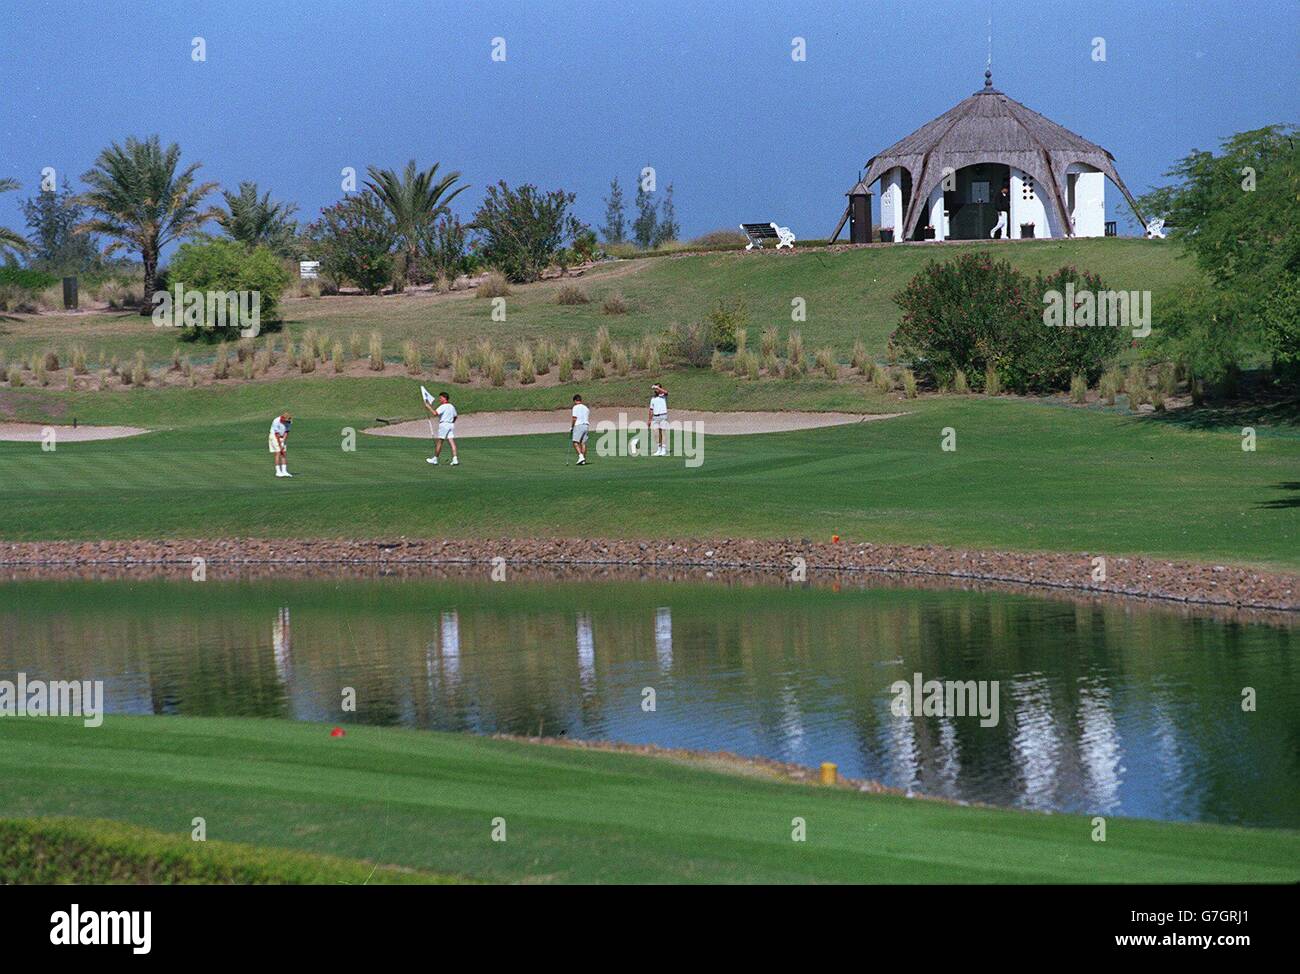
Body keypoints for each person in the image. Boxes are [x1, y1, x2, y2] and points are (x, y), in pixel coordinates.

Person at [424, 392, 459, 466]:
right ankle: (455, 459)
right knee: (451, 441)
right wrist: (452, 423)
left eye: (440, 398)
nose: (439, 399)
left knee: (440, 442)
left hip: (444, 425)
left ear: (444, 398)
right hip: (450, 425)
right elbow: (455, 416)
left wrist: (428, 407)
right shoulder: (451, 406)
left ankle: (435, 459)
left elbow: (435, 413)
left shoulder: (443, 406)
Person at [269, 413, 293, 478]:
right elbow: (276, 434)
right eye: (286, 420)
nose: (287, 422)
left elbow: (287, 432)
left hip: (282, 437)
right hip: (274, 436)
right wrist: (280, 445)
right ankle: (278, 472)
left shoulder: (289, 421)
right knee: (278, 452)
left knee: (283, 453)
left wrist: (283, 440)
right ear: (282, 418)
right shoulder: (276, 421)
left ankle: (284, 471)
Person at [649, 383, 669, 456]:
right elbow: (651, 409)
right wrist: (649, 419)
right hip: (655, 417)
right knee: (656, 434)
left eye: (657, 389)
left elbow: (666, 392)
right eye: (655, 389)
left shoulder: (663, 396)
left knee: (663, 432)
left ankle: (663, 449)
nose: (655, 390)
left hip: (663, 416)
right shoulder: (653, 399)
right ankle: (659, 449)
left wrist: (658, 387)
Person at [570, 393, 590, 465]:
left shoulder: (575, 407)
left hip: (579, 425)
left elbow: (574, 418)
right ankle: (583, 460)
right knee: (583, 443)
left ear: (575, 401)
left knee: (575, 442)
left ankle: (581, 456)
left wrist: (572, 427)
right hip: (586, 426)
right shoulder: (586, 408)